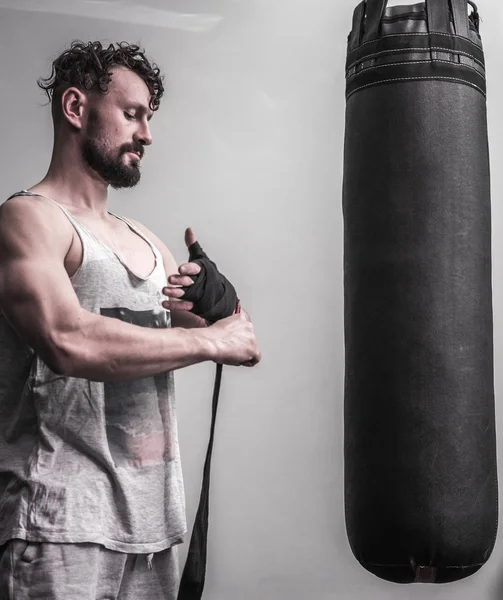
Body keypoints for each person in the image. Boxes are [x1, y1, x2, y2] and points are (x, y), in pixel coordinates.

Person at [0, 40, 261, 600]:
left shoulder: (145, 239)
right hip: (60, 525)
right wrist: (209, 341)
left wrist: (217, 297)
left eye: (149, 118)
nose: (147, 134)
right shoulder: (30, 221)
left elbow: (242, 341)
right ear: (76, 108)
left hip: (151, 528)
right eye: (132, 114)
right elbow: (67, 340)